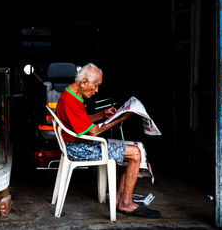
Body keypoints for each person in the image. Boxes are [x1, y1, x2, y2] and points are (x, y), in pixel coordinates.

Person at [55, 63, 161, 218]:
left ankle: (120, 198)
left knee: (132, 148)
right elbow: (93, 131)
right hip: (76, 148)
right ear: (84, 82)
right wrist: (122, 118)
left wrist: (102, 114)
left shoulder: (72, 93)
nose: (97, 90)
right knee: (135, 153)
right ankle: (126, 203)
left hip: (77, 143)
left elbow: (81, 120)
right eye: (96, 86)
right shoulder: (71, 101)